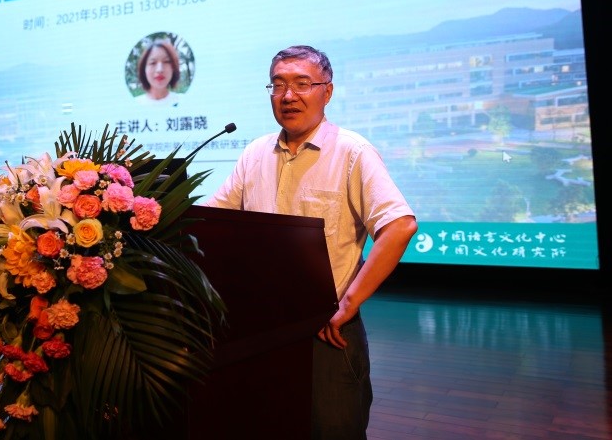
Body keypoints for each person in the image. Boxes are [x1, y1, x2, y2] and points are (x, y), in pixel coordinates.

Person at [205, 44, 417, 440]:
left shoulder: (352, 152)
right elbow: (213, 221)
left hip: (326, 331)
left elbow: (399, 226)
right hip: (259, 330)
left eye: (302, 84)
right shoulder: (255, 153)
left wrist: (348, 303)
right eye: (278, 85)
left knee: (333, 430)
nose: (288, 96)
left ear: (327, 92)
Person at [135, 39, 183, 106]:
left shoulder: (184, 101)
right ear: (144, 70)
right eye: (153, 63)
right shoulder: (134, 104)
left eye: (166, 61)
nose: (159, 69)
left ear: (173, 68)